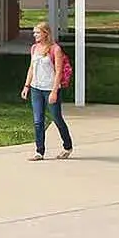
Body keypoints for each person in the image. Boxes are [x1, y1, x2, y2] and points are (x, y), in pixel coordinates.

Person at [21, 22, 73, 160]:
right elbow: (31, 68)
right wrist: (26, 86)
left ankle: (67, 146)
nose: (35, 35)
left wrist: (54, 91)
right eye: (34, 33)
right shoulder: (34, 48)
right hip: (36, 88)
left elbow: (59, 72)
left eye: (37, 32)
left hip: (50, 88)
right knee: (38, 121)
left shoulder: (55, 49)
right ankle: (39, 151)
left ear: (46, 33)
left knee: (57, 118)